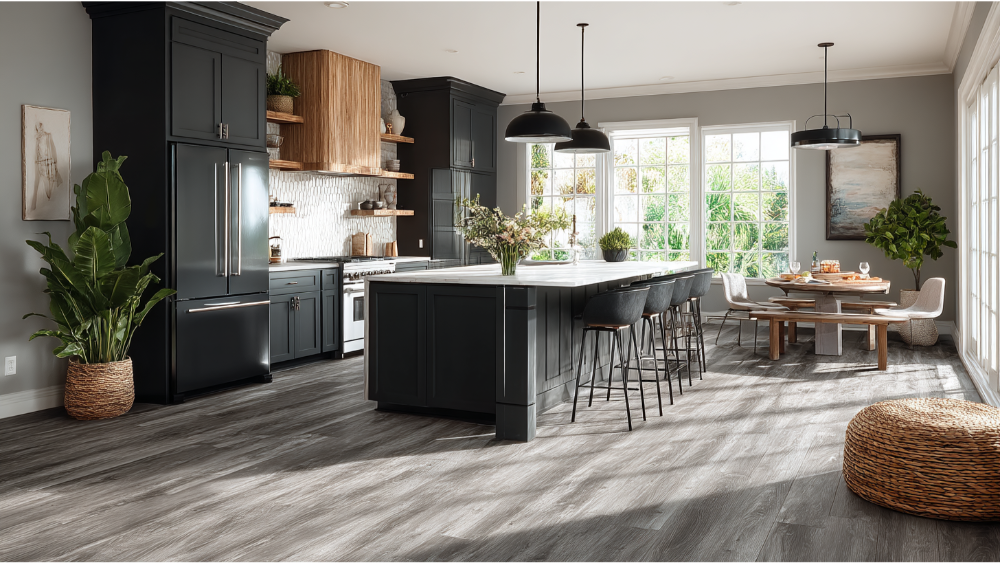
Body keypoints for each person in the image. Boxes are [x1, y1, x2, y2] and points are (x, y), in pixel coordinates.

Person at [31, 121, 62, 211]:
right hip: (40, 162)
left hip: (49, 162)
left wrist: (55, 162)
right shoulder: (37, 138)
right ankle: (46, 200)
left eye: (40, 127)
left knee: (51, 179)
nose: (39, 129)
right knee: (42, 181)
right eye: (37, 128)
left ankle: (50, 199)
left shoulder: (48, 135)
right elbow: (36, 151)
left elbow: (53, 148)